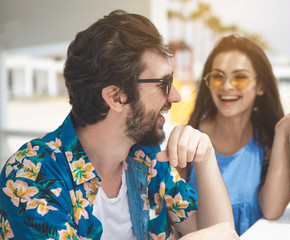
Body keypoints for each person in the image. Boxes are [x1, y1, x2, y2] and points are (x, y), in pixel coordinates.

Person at [0, 10, 239, 240]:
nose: (175, 96)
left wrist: (206, 157)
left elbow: (220, 232)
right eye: (164, 83)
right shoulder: (29, 176)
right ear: (116, 97)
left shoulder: (147, 158)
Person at [178, 35, 290, 235]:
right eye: (218, 76)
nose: (227, 86)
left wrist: (282, 134)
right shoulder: (190, 140)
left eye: (240, 77)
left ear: (261, 86)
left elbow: (272, 210)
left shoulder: (266, 142)